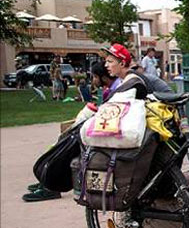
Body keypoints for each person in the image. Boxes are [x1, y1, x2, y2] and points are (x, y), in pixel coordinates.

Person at [22, 62, 119, 203]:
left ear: (101, 77)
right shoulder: (110, 89)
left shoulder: (117, 88)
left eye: (94, 77)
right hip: (98, 127)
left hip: (103, 133)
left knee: (67, 148)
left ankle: (51, 186)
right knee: (62, 141)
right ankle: (47, 180)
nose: (93, 81)